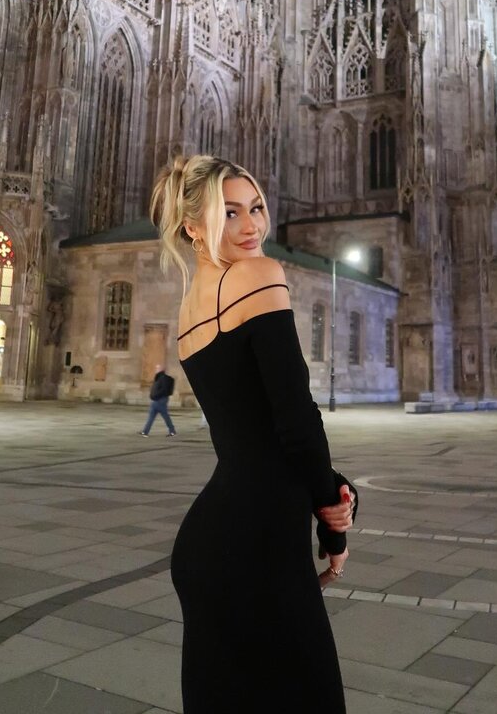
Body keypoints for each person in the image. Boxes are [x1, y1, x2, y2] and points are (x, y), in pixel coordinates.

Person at [151, 155, 356, 713]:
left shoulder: (189, 309)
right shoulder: (258, 275)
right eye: (230, 212)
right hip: (259, 549)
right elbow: (296, 419)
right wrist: (333, 527)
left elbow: (253, 437)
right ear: (193, 227)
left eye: (257, 208)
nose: (251, 226)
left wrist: (330, 484)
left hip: (209, 546)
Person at [140, 365, 177, 437]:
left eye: (157, 368)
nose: (156, 369)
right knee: (159, 416)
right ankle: (145, 432)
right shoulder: (159, 377)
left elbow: (163, 390)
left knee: (162, 416)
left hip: (160, 400)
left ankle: (145, 432)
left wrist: (155, 396)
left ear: (161, 369)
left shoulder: (163, 378)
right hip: (157, 400)